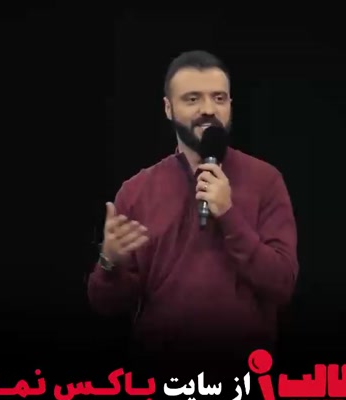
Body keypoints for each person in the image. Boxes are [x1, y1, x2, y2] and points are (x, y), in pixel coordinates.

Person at [87, 50, 298, 365]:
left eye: (219, 98)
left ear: (230, 105)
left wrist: (229, 215)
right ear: (168, 108)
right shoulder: (137, 191)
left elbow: (282, 285)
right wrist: (109, 264)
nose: (208, 109)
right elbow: (107, 305)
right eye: (193, 99)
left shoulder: (265, 180)